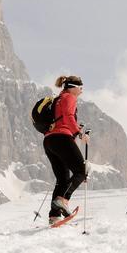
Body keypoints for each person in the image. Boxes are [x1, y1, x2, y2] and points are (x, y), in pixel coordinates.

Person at [45, 75, 89, 225]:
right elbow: (69, 116)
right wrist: (79, 133)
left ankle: (54, 216)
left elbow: (62, 118)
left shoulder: (58, 99)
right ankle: (63, 200)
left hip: (49, 141)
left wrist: (75, 129)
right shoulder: (70, 97)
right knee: (81, 171)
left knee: (62, 179)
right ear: (72, 87)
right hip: (62, 138)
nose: (81, 91)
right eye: (80, 88)